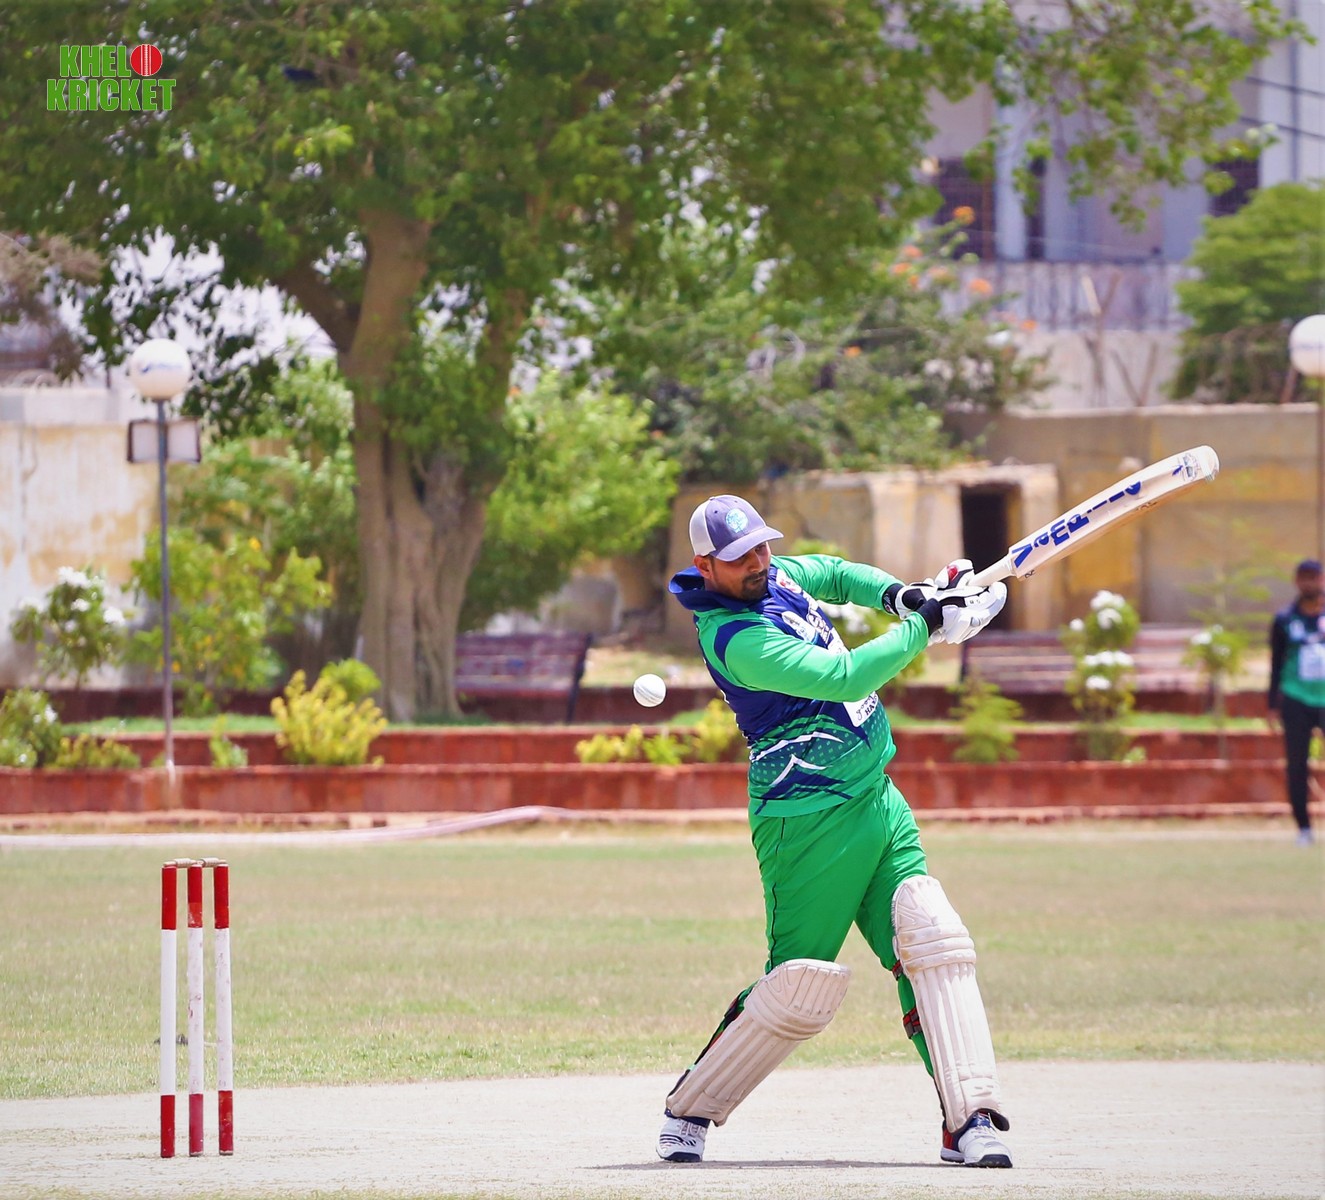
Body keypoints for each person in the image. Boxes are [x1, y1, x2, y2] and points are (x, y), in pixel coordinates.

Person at [656, 494, 1013, 1169]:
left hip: (876, 794)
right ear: (706, 566)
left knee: (930, 938)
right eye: (741, 556)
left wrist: (904, 596)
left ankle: (968, 1120)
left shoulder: (778, 574)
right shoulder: (734, 638)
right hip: (806, 822)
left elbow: (839, 573)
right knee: (796, 988)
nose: (760, 562)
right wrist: (926, 627)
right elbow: (843, 677)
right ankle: (691, 1108)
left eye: (762, 546)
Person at [1268, 558, 1325, 846]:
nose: (1309, 583)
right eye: (1304, 577)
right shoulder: (1284, 619)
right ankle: (1303, 828)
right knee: (1297, 766)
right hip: (1296, 699)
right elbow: (1276, 663)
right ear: (1296, 581)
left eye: (1314, 577)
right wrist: (1271, 704)